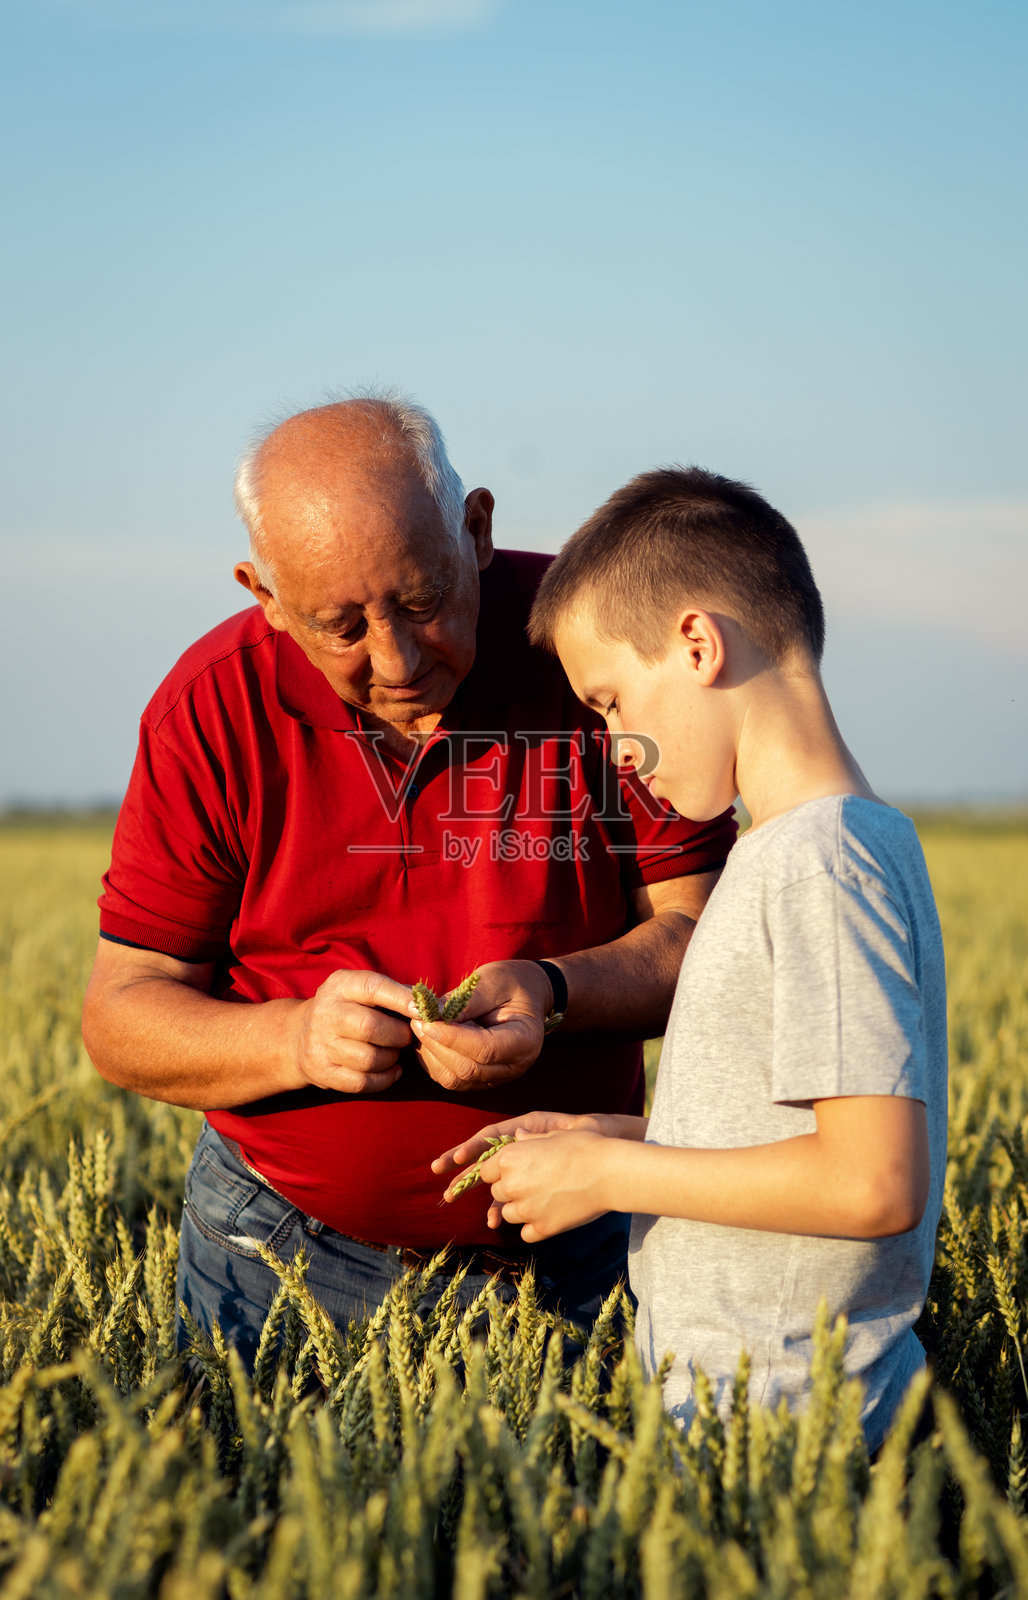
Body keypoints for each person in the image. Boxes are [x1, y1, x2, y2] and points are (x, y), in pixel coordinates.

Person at [81, 399, 737, 1364]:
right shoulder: (210, 709)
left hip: (589, 1238)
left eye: (424, 604)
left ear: (476, 530)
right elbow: (122, 1015)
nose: (395, 660)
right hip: (276, 1253)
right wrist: (299, 1037)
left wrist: (551, 994)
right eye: (338, 626)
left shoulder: (595, 654)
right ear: (261, 593)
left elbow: (709, 937)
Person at [434, 466, 947, 1453]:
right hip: (754, 1416)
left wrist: (612, 1174)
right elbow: (795, 1129)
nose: (615, 744)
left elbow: (873, 1181)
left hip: (789, 1429)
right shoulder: (815, 850)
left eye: (612, 698)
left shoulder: (818, 862)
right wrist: (615, 1134)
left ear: (697, 645)